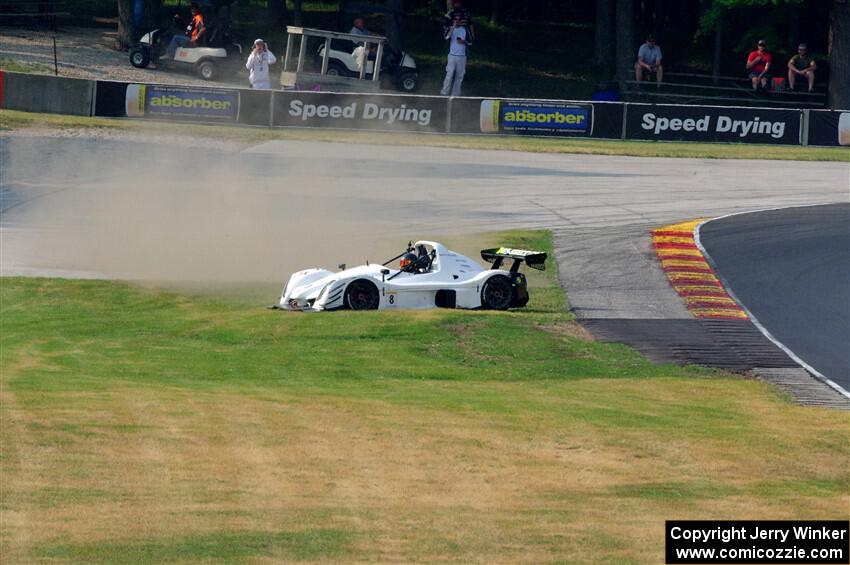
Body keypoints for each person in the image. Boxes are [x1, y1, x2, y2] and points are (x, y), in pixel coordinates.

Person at [440, 14, 468, 97]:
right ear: (453, 20)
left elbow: (470, 42)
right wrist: (452, 28)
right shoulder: (450, 28)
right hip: (452, 56)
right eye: (455, 19)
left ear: (461, 21)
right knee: (449, 73)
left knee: (459, 75)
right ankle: (444, 92)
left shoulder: (465, 30)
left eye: (459, 19)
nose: (457, 20)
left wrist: (463, 42)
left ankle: (455, 94)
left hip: (462, 56)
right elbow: (446, 37)